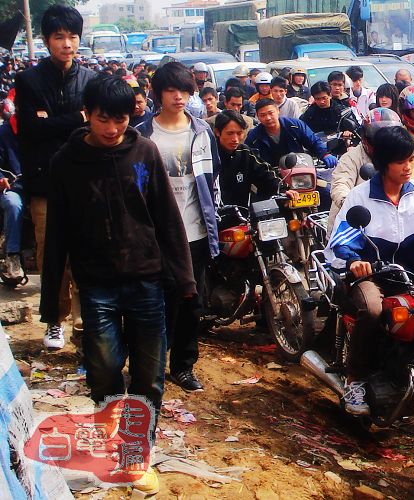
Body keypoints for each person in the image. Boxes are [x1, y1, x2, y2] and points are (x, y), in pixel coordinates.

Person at [40, 75, 195, 496]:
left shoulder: (144, 152)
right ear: (87, 115)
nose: (112, 129)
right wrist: (52, 301)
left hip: (147, 280)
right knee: (104, 367)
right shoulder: (67, 162)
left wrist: (184, 277)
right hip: (96, 285)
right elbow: (56, 234)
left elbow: (167, 217)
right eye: (103, 119)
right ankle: (112, 435)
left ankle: (135, 453)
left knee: (149, 374)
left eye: (121, 120)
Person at [325, 126, 414, 415]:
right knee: (372, 310)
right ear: (383, 162)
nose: (408, 167)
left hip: (411, 276)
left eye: (411, 160)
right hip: (370, 277)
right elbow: (342, 241)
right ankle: (355, 380)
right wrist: (353, 261)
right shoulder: (360, 197)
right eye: (400, 161)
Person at [135, 62, 221, 393]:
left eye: (184, 90)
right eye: (171, 90)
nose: (178, 97)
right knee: (157, 301)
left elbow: (211, 179)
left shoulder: (201, 133)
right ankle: (152, 362)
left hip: (195, 232)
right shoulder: (143, 134)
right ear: (158, 94)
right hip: (155, 235)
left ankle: (183, 366)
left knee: (191, 301)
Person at [15, 4, 93, 350]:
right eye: (59, 37)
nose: (67, 43)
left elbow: (92, 127)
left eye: (72, 36)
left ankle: (83, 321)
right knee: (51, 257)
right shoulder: (29, 81)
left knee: (85, 254)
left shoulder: (90, 80)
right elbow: (31, 130)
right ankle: (54, 321)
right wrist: (75, 118)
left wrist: (53, 120)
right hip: (44, 183)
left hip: (84, 182)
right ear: (46, 40)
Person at [328, 107, 403, 232]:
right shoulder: (351, 158)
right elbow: (340, 183)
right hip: (352, 225)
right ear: (366, 138)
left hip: (388, 221)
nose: (386, 146)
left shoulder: (399, 157)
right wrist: (350, 204)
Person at [213, 109, 298, 207]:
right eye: (230, 133)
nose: (235, 139)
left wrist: (283, 191)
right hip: (215, 213)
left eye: (239, 133)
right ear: (217, 132)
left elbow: (264, 174)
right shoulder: (209, 156)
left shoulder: (245, 152)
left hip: (242, 212)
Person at [246, 98, 337, 170]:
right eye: (263, 115)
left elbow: (313, 141)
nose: (268, 118)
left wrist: (324, 154)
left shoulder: (295, 125)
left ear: (278, 111)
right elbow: (248, 158)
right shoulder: (254, 136)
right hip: (271, 175)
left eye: (271, 113)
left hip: (299, 169)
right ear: (257, 116)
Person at [0, 107, 23, 282]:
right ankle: (12, 255)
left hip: (36, 186)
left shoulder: (39, 131)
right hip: (12, 187)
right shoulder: (3, 132)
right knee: (14, 204)